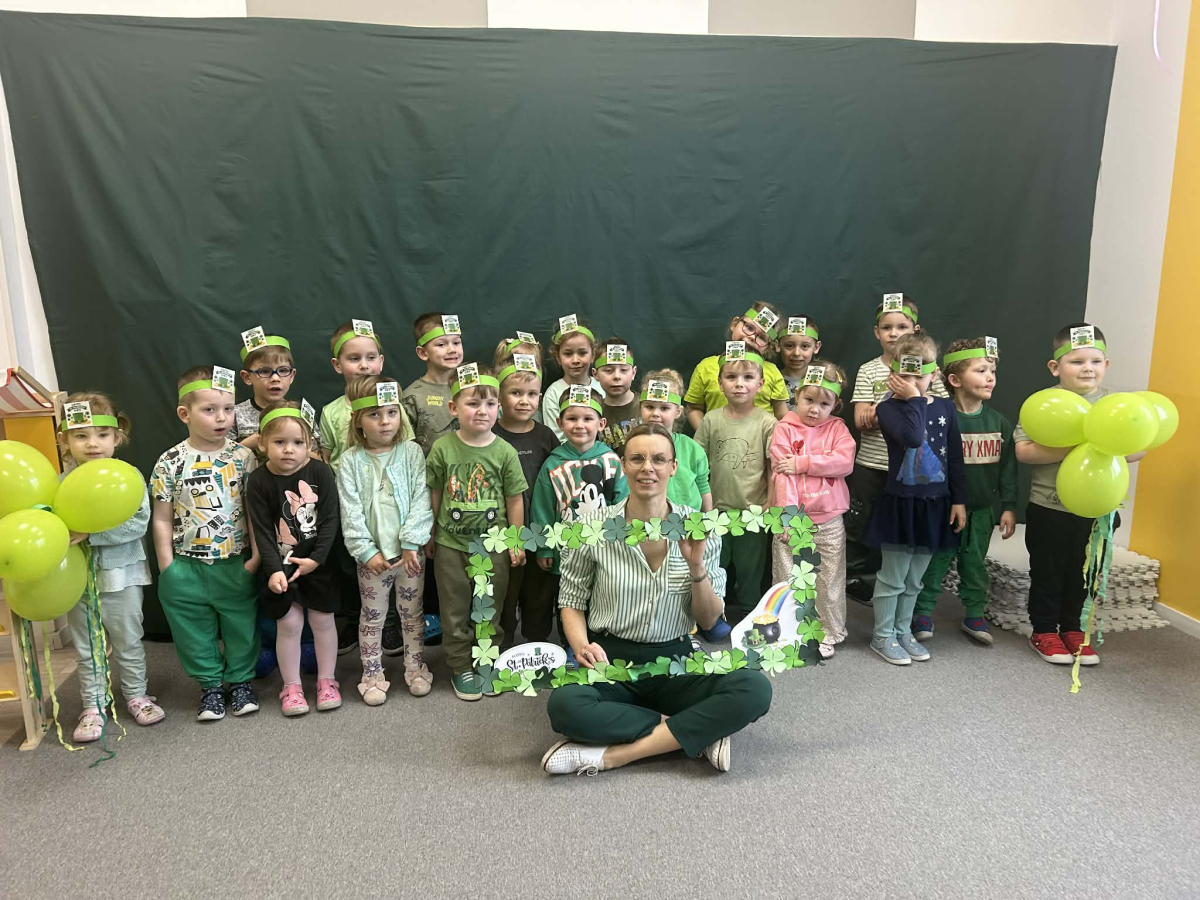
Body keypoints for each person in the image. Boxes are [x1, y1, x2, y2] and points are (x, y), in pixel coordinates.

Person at [541, 423, 773, 777]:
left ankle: (616, 756)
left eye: (659, 459)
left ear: (673, 467)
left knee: (754, 688)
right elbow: (571, 601)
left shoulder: (699, 527)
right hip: (611, 659)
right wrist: (581, 645)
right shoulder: (591, 527)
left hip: (676, 659)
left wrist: (696, 567)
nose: (647, 467)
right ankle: (692, 732)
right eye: (637, 458)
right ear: (623, 465)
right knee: (565, 706)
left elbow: (709, 621)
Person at [1014, 323, 1142, 665]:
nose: (1088, 368)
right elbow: (1024, 451)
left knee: (1085, 573)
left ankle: (1073, 629)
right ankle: (1044, 630)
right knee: (1048, 571)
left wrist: (1107, 441)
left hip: (1100, 508)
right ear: (1055, 367)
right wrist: (1078, 442)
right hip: (1049, 506)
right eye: (1077, 361)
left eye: (1095, 361)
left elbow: (1139, 448)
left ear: (1106, 365)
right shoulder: (1043, 404)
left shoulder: (1115, 405)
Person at [151, 366, 261, 721]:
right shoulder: (170, 462)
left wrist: (255, 558)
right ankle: (210, 686)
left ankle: (241, 682)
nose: (222, 418)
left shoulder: (243, 458)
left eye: (228, 409)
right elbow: (162, 517)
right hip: (186, 567)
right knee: (193, 632)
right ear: (185, 414)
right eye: (210, 410)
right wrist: (167, 566)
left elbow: (254, 511)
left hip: (235, 562)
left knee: (241, 628)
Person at [58, 392, 163, 742]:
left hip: (123, 574)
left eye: (102, 435)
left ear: (117, 437)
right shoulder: (60, 483)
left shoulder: (128, 477)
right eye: (81, 435)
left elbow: (137, 524)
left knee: (128, 639)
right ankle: (93, 704)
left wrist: (91, 532)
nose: (93, 443)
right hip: (77, 578)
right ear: (65, 440)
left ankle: (136, 695)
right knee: (87, 645)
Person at [426, 363, 528, 700]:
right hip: (451, 545)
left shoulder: (505, 451)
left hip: (493, 547)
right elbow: (435, 493)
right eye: (472, 403)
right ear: (453, 407)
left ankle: (487, 660)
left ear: (499, 407)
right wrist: (430, 533)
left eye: (489, 403)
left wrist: (515, 541)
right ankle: (460, 665)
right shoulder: (442, 448)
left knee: (488, 607)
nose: (482, 410)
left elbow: (514, 499)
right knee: (454, 609)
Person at [864, 334, 966, 665]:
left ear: (934, 375)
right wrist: (915, 399)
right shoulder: (887, 408)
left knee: (914, 579)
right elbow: (910, 438)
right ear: (892, 374)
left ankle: (903, 630)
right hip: (901, 505)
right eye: (903, 376)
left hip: (934, 505)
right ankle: (883, 635)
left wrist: (958, 500)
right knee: (892, 577)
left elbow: (955, 457)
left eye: (918, 376)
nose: (910, 383)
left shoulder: (946, 408)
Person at [912, 338, 1017, 645]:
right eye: (981, 370)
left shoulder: (998, 423)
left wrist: (1009, 505)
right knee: (935, 562)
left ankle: (974, 613)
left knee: (975, 564)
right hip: (942, 509)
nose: (990, 377)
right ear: (955, 380)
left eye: (993, 371)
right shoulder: (941, 419)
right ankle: (923, 612)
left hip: (981, 511)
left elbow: (1008, 469)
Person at [336, 375, 434, 703]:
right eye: (375, 414)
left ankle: (415, 667)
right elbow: (349, 510)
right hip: (373, 559)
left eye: (392, 412)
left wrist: (411, 543)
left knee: (412, 614)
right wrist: (365, 551)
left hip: (410, 556)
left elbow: (421, 498)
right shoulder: (350, 460)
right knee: (373, 617)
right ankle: (372, 672)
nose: (385, 421)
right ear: (358, 421)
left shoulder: (411, 452)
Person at [846, 295, 948, 604]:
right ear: (876, 332)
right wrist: (902, 410)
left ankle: (896, 584)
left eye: (901, 326)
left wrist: (886, 411)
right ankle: (854, 579)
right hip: (871, 463)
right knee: (861, 523)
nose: (894, 333)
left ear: (915, 329)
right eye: (887, 327)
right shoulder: (869, 370)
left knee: (899, 530)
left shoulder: (931, 370)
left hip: (911, 468)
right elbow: (861, 421)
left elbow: (939, 413)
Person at [321, 319, 411, 657]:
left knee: (392, 563)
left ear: (381, 361)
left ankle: (389, 624)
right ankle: (353, 620)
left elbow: (406, 445)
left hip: (390, 504)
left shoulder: (393, 404)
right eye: (354, 358)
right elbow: (326, 457)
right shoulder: (331, 412)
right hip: (352, 504)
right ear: (337, 365)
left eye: (371, 357)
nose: (364, 365)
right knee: (351, 564)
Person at [247, 401, 342, 716]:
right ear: (263, 443)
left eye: (298, 442)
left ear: (309, 444)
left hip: (318, 563)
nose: (289, 449)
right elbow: (262, 530)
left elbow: (330, 520)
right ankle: (292, 687)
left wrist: (316, 559)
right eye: (279, 442)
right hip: (282, 566)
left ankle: (327, 681)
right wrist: (273, 569)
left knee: (322, 620)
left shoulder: (320, 472)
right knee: (289, 623)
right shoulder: (258, 480)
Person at [766, 361, 855, 658]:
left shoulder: (838, 429)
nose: (815, 410)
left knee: (828, 580)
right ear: (797, 396)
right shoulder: (784, 428)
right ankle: (787, 630)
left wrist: (803, 463)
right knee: (787, 578)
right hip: (792, 520)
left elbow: (844, 463)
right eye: (808, 400)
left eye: (824, 404)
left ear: (835, 405)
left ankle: (825, 631)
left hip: (829, 520)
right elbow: (783, 476)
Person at [694, 344, 776, 631]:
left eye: (747, 378)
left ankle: (751, 614)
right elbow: (699, 461)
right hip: (716, 509)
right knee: (714, 563)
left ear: (760, 384)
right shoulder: (711, 419)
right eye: (731, 377)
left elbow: (773, 466)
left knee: (751, 567)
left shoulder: (767, 422)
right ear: (720, 383)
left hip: (753, 510)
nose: (739, 384)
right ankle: (714, 614)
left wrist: (771, 501)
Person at [492, 351, 560, 646]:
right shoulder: (490, 434)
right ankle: (502, 644)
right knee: (504, 594)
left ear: (540, 398)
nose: (524, 401)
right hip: (501, 532)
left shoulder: (546, 437)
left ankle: (537, 644)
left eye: (532, 394)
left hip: (540, 531)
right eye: (516, 393)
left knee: (538, 595)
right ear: (499, 396)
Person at [532, 386, 627, 577]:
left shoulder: (612, 461)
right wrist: (544, 547)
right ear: (560, 423)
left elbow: (623, 502)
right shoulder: (552, 464)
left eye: (588, 419)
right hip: (566, 548)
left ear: (601, 424)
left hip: (606, 549)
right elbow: (542, 508)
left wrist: (621, 539)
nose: (579, 425)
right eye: (572, 418)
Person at [684, 302, 790, 431]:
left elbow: (781, 415)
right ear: (734, 324)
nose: (751, 337)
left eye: (761, 337)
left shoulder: (772, 372)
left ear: (768, 347)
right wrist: (706, 435)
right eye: (749, 328)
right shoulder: (706, 367)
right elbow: (694, 408)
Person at [230, 326, 321, 457]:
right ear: (247, 377)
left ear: (292, 376)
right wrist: (248, 445)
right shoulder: (234, 415)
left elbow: (319, 459)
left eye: (283, 371)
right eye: (264, 371)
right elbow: (222, 460)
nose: (275, 378)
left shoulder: (302, 414)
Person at [637, 369, 711, 512]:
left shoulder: (691, 448)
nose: (655, 413)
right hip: (647, 519)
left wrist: (708, 520)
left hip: (689, 520)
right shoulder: (633, 446)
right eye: (649, 407)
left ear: (677, 411)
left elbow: (703, 487)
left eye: (664, 408)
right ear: (641, 408)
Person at [404, 311, 464, 457]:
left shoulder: (472, 387)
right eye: (441, 344)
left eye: (456, 342)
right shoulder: (411, 397)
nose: (452, 349)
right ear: (423, 353)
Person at [538, 314, 602, 443]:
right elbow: (555, 437)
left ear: (593, 355)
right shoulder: (553, 394)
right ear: (558, 358)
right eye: (568, 354)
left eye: (582, 353)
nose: (575, 360)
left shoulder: (602, 387)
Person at [593, 337, 639, 453]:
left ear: (633, 373)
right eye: (608, 370)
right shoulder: (593, 412)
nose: (617, 376)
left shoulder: (648, 406)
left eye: (623, 370)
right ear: (595, 374)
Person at [778, 316, 823, 411]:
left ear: (816, 347)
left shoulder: (824, 382)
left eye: (805, 346)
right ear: (778, 345)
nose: (797, 353)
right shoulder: (772, 379)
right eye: (789, 346)